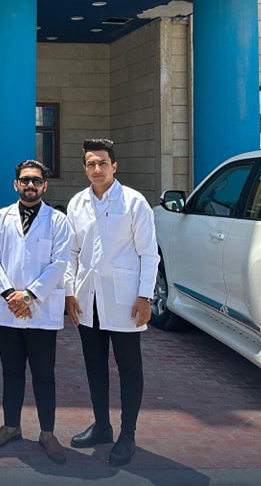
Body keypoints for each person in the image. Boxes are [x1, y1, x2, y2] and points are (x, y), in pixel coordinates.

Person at [64, 138, 160, 467]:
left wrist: (145, 296)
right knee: (94, 365)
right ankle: (102, 425)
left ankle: (127, 434)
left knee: (129, 367)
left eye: (102, 163)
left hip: (125, 300)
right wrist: (69, 292)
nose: (97, 169)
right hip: (87, 298)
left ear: (114, 166)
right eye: (91, 164)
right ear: (84, 168)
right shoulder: (77, 204)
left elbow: (149, 253)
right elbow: (71, 252)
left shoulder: (134, 203)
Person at [0, 159, 73, 464]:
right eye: (25, 180)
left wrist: (29, 296)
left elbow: (60, 263)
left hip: (41, 310)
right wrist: (11, 295)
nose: (30, 185)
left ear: (45, 185)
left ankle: (47, 433)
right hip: (8, 309)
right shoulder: (0, 218)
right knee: (11, 372)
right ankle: (11, 426)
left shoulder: (58, 220)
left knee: (44, 375)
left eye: (36, 180)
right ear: (16, 184)